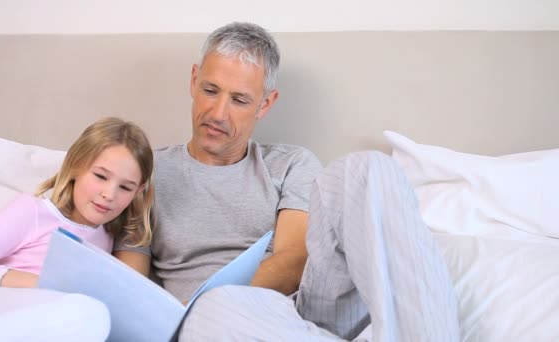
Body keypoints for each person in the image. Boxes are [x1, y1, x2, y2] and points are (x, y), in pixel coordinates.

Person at [116, 22, 460, 341]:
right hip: (206, 324)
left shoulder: (289, 163)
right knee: (217, 309)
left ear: (265, 104)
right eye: (210, 90)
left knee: (369, 168)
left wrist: (209, 297)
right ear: (193, 81)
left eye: (239, 100)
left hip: (302, 311)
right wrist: (194, 310)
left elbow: (294, 262)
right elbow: (130, 290)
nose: (218, 113)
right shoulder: (145, 172)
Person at [0, 117, 154, 342]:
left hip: (47, 324)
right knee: (91, 313)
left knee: (99, 319)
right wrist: (39, 282)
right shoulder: (34, 212)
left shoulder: (108, 238)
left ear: (138, 192)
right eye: (100, 176)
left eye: (125, 187)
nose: (109, 194)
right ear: (76, 165)